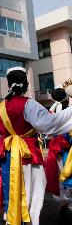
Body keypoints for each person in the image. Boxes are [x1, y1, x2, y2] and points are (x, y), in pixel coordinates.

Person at [0, 67, 72, 225]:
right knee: (30, 193)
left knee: (10, 192)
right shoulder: (29, 104)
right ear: (26, 84)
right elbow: (47, 124)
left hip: (7, 155)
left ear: (8, 84)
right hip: (28, 154)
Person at [45, 86, 72, 216]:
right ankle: (65, 203)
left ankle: (64, 203)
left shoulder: (54, 113)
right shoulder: (66, 112)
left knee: (62, 174)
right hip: (65, 148)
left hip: (59, 149)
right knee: (66, 174)